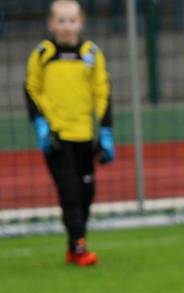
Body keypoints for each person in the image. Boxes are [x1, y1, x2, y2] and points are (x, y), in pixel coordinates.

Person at [24, 0, 115, 267]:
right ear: (51, 24)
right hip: (56, 136)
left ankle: (74, 245)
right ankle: (79, 247)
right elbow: (31, 88)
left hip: (84, 135)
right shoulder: (43, 53)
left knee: (87, 192)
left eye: (71, 20)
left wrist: (106, 130)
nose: (66, 26)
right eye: (60, 21)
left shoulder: (91, 54)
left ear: (81, 22)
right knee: (70, 191)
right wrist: (40, 123)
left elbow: (102, 92)